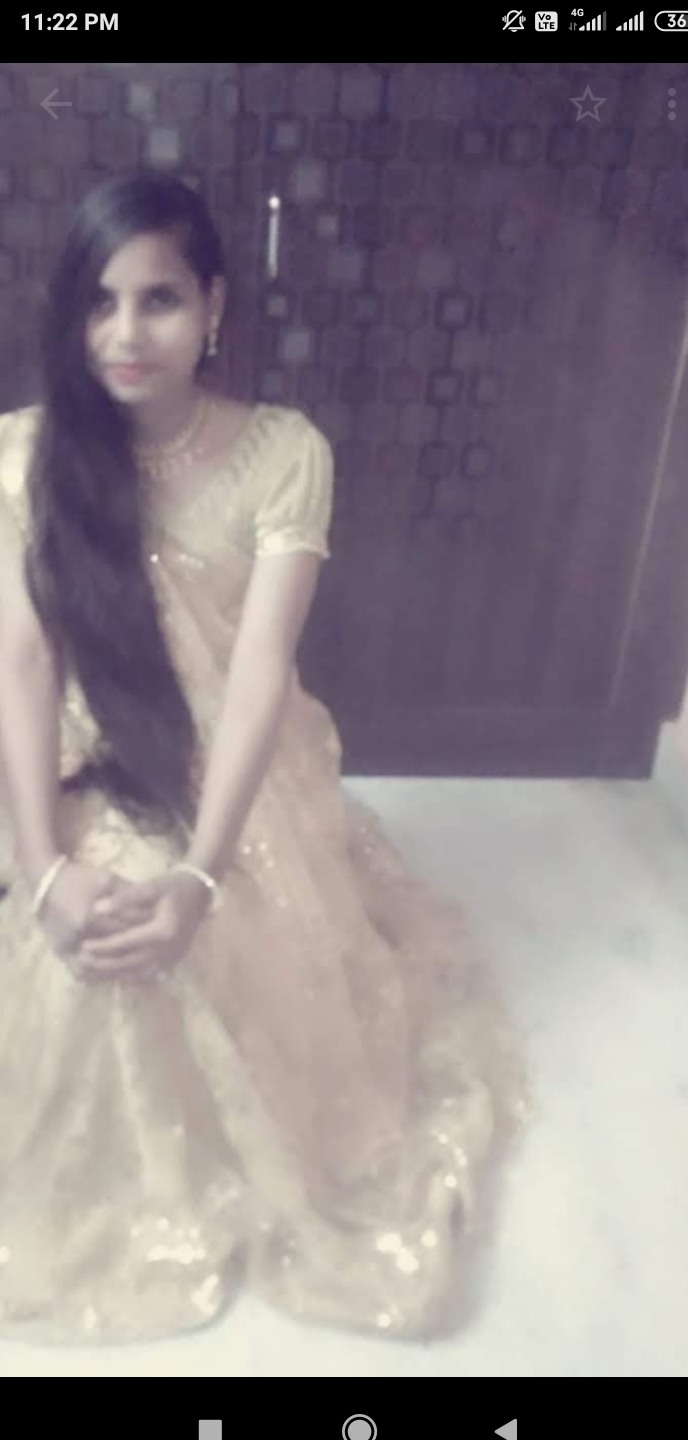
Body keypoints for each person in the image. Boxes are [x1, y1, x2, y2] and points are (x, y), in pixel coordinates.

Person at [0, 170, 531, 1346]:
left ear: (215, 306)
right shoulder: (25, 455)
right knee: (83, 940)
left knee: (178, 924)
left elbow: (254, 681)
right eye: (98, 302)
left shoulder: (283, 452)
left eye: (158, 299)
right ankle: (118, 1181)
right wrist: (41, 871)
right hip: (78, 751)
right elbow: (24, 666)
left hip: (227, 769)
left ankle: (210, 1165)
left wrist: (201, 873)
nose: (125, 333)